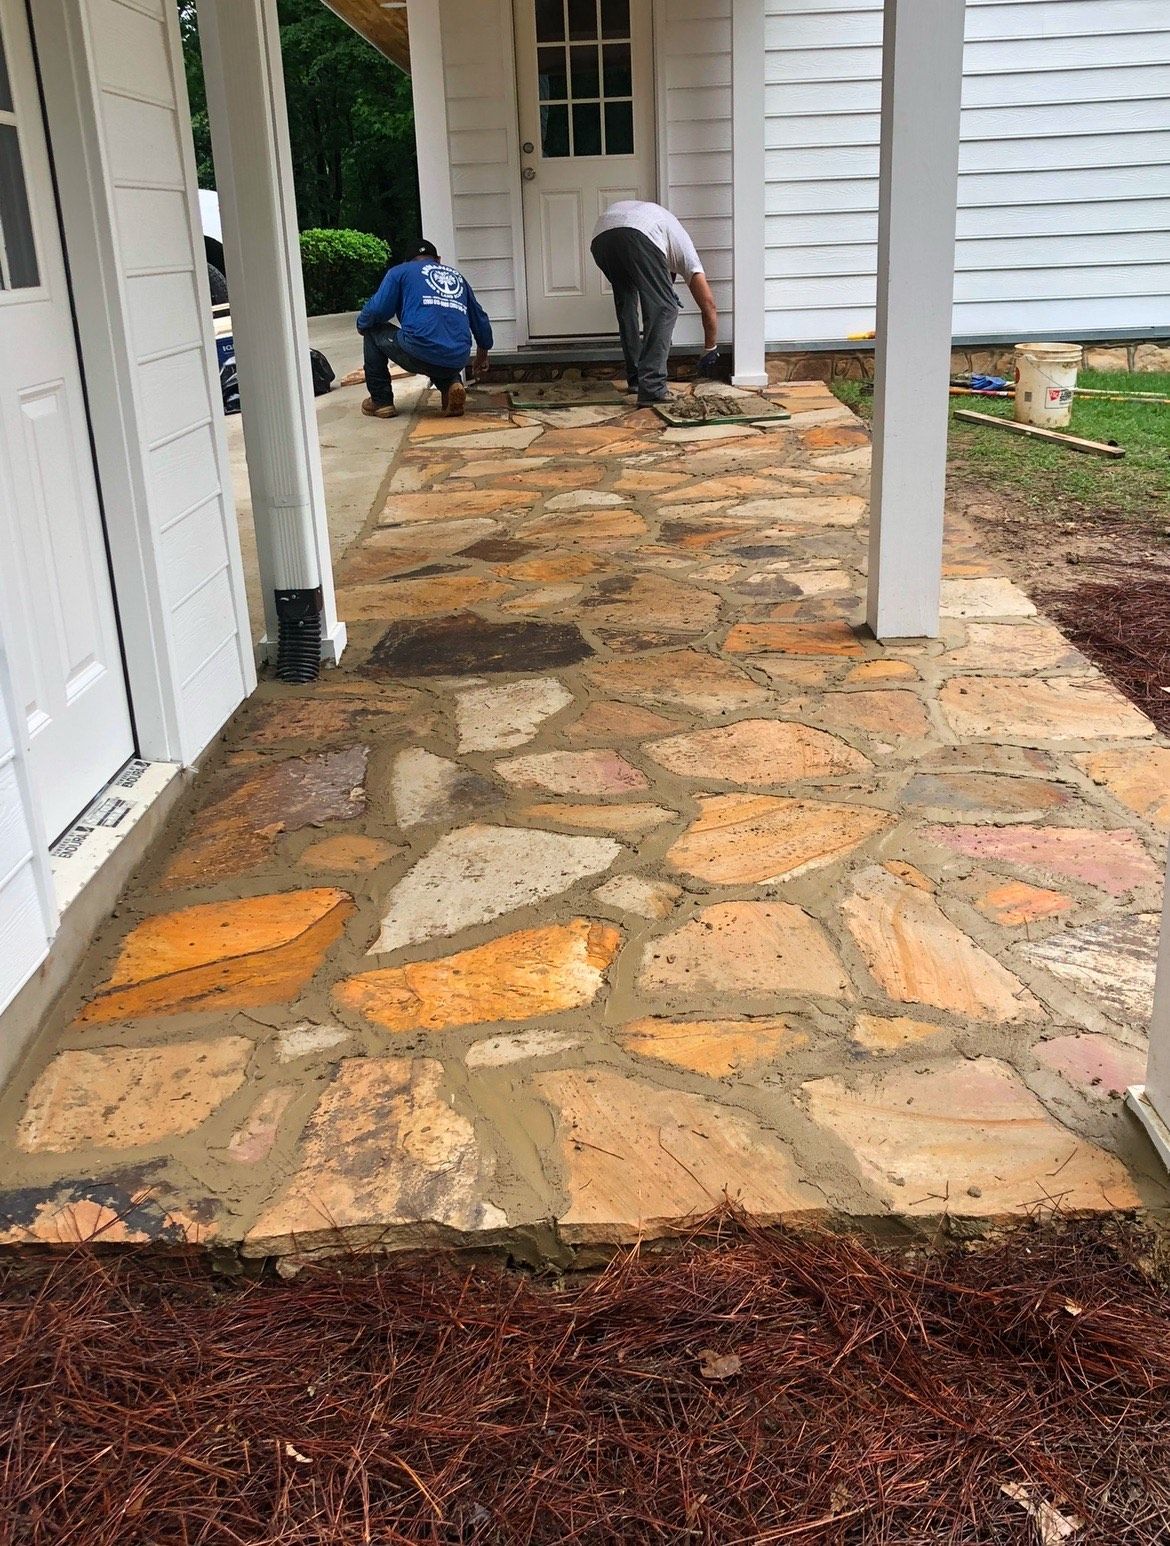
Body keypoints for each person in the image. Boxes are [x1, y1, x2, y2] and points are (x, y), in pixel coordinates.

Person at [590, 201, 720, 407]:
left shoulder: (667, 242)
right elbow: (709, 306)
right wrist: (710, 348)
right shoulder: (686, 254)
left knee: (627, 305)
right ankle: (652, 387)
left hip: (601, 237)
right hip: (637, 233)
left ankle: (636, 379)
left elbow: (652, 285)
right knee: (666, 308)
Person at [356, 239, 493, 419]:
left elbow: (376, 311)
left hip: (420, 349)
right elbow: (480, 318)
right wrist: (482, 354)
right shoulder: (457, 277)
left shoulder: (400, 272)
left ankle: (381, 401)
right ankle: (451, 386)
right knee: (439, 350)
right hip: (457, 357)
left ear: (408, 261)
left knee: (372, 330)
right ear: (438, 259)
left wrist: (361, 324)